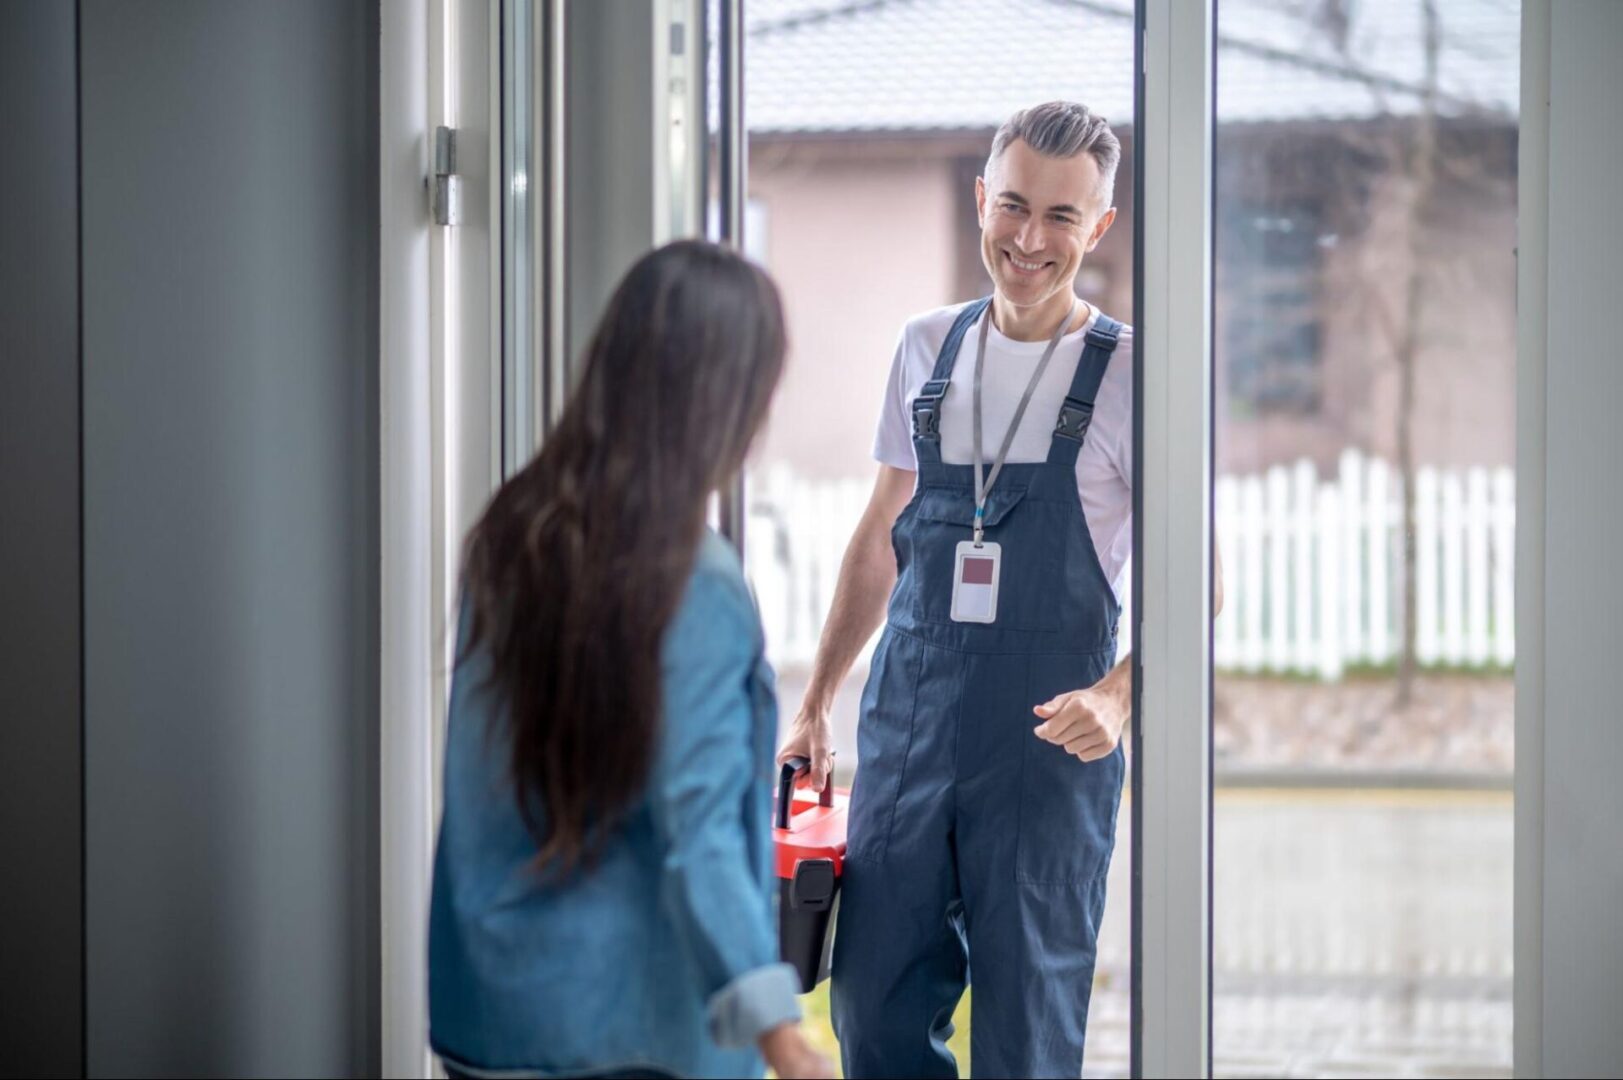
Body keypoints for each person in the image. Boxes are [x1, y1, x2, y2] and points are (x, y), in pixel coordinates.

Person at [776, 102, 1222, 1078]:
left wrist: (1119, 694)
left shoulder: (1135, 376)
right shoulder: (925, 347)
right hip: (909, 723)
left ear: (1099, 227)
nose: (1029, 238)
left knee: (1026, 1032)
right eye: (1013, 205)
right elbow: (878, 541)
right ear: (982, 199)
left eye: (1062, 216)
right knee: (871, 1013)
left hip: (1047, 740)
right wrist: (814, 703)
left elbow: (1203, 582)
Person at [430, 240, 834, 1080]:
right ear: (723, 402)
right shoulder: (694, 580)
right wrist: (779, 1035)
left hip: (491, 1008)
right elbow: (701, 832)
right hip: (630, 1028)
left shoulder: (514, 531)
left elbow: (477, 779)